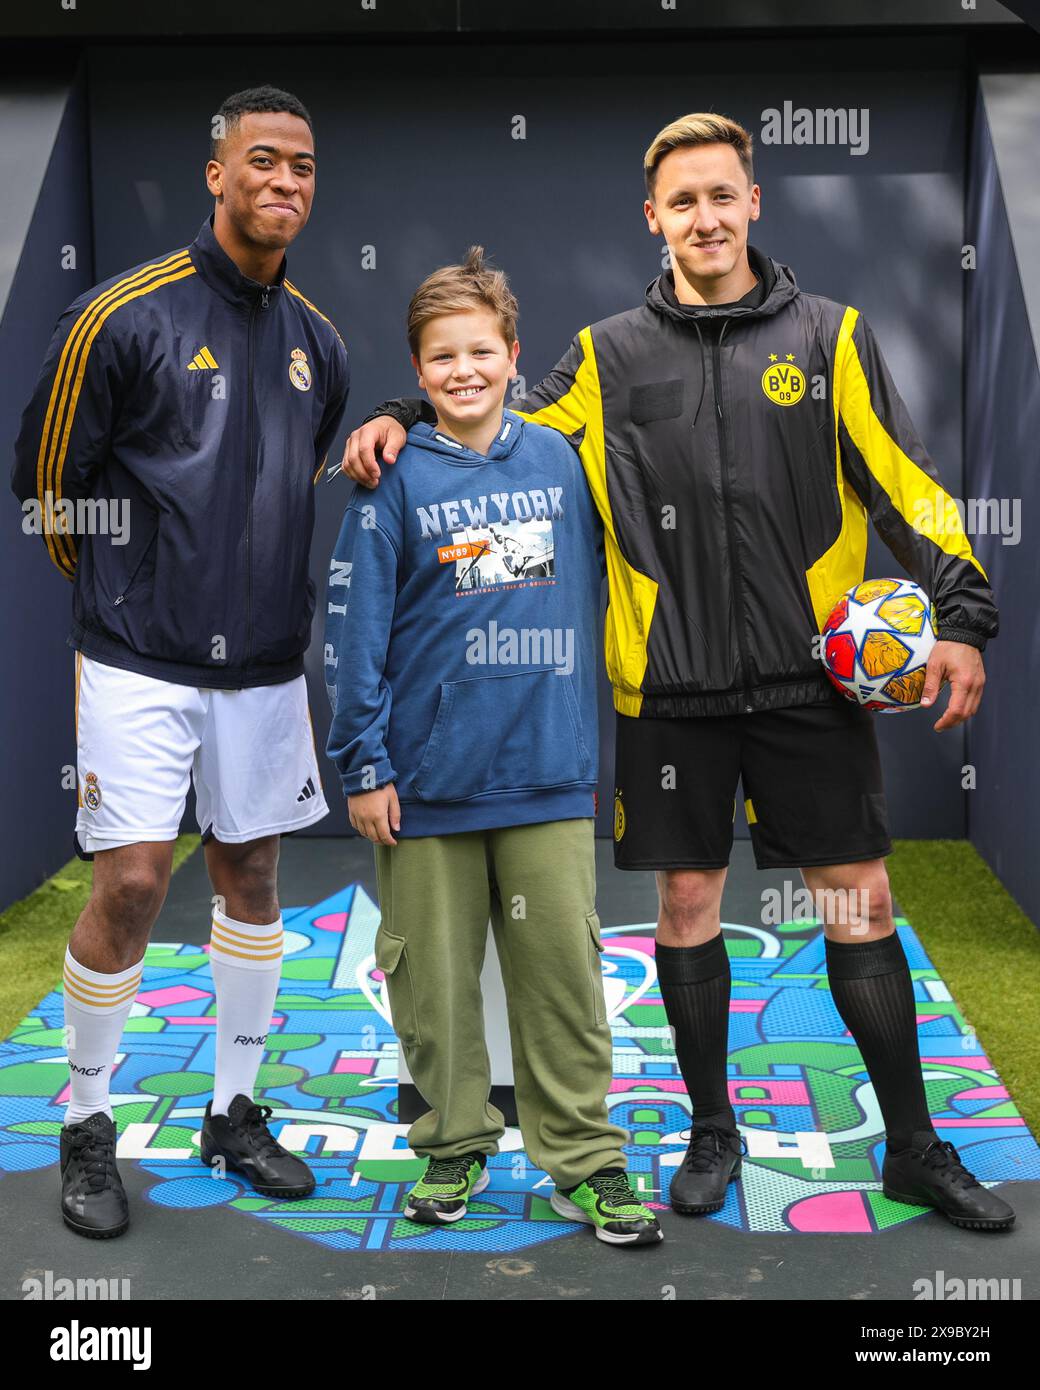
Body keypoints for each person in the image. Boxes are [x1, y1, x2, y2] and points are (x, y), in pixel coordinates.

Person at [338, 113, 1014, 1232]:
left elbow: (907, 480)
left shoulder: (828, 335)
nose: (703, 217)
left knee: (858, 904)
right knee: (688, 905)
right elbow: (497, 417)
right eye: (680, 201)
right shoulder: (605, 356)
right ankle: (711, 1136)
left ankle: (912, 1146)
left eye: (721, 195)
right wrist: (404, 415)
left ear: (753, 203)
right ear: (651, 220)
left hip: (809, 689)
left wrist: (962, 612)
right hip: (668, 698)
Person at [12, 85, 350, 1238]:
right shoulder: (123, 316)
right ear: (216, 174)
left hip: (260, 666)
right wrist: (129, 593)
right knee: (136, 882)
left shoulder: (320, 343)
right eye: (262, 161)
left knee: (253, 879)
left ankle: (235, 1109)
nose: (284, 183)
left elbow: (288, 489)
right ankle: (88, 1123)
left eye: (302, 167)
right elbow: (47, 488)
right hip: (138, 663)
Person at [323, 247, 662, 1247]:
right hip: (422, 789)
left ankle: (585, 1162)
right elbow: (352, 635)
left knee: (563, 983)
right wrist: (365, 765)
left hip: (547, 781)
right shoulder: (387, 478)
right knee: (429, 988)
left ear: (514, 355)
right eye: (441, 357)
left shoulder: (561, 460)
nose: (463, 369)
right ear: (417, 371)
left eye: (481, 350)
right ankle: (453, 1143)